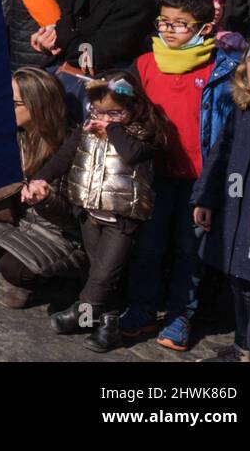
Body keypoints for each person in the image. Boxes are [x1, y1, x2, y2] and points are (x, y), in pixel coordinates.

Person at [122, 0, 239, 350]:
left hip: (198, 181)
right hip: (154, 174)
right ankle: (141, 309)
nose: (169, 31)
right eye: (164, 23)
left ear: (204, 28)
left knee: (190, 251)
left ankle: (179, 316)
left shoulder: (222, 70)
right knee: (149, 246)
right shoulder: (144, 64)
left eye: (180, 25)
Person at [27, 72, 165, 352]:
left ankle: (83, 311)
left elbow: (131, 154)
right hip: (90, 210)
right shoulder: (88, 126)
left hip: (122, 217)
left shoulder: (143, 133)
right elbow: (65, 155)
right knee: (101, 271)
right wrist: (40, 178)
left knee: (104, 272)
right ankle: (107, 326)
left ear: (132, 108)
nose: (102, 118)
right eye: (97, 111)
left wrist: (111, 129)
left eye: (113, 113)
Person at [193, 37, 250, 361]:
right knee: (236, 279)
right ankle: (244, 344)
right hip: (236, 213)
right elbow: (220, 156)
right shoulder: (243, 111)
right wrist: (205, 198)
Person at [0, 67, 85, 308]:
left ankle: (61, 285)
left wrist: (45, 200)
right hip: (26, 222)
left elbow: (75, 222)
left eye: (14, 102)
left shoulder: (67, 151)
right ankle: (29, 271)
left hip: (60, 236)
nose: (7, 107)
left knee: (13, 268)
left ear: (37, 106)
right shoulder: (20, 136)